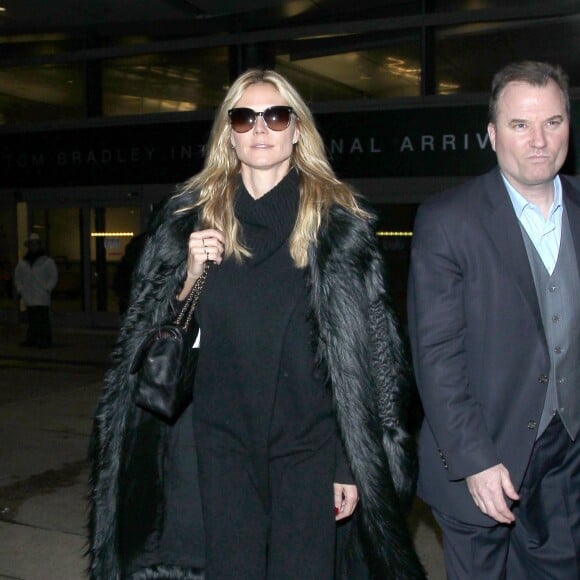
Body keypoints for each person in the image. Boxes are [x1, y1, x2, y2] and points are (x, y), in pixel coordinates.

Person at [89, 69, 424, 579]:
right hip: (220, 441)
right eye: (245, 117)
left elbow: (371, 356)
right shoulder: (189, 219)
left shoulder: (336, 226)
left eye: (276, 115)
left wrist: (348, 464)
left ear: (296, 130)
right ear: (229, 132)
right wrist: (191, 277)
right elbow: (151, 343)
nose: (260, 128)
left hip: (309, 444)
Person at [408, 60, 580, 579]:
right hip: (485, 457)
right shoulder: (447, 219)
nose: (538, 140)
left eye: (552, 122)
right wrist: (475, 462)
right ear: (491, 134)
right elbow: (436, 357)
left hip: (566, 457)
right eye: (519, 125)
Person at [13, 232, 58, 348]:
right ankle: (32, 339)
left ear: (39, 246)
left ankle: (44, 341)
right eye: (31, 245)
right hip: (29, 296)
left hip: (42, 296)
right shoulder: (23, 263)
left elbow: (53, 276)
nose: (33, 247)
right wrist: (21, 289)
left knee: (43, 321)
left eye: (35, 244)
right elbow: (17, 277)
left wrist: (47, 288)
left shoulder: (47, 261)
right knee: (32, 320)